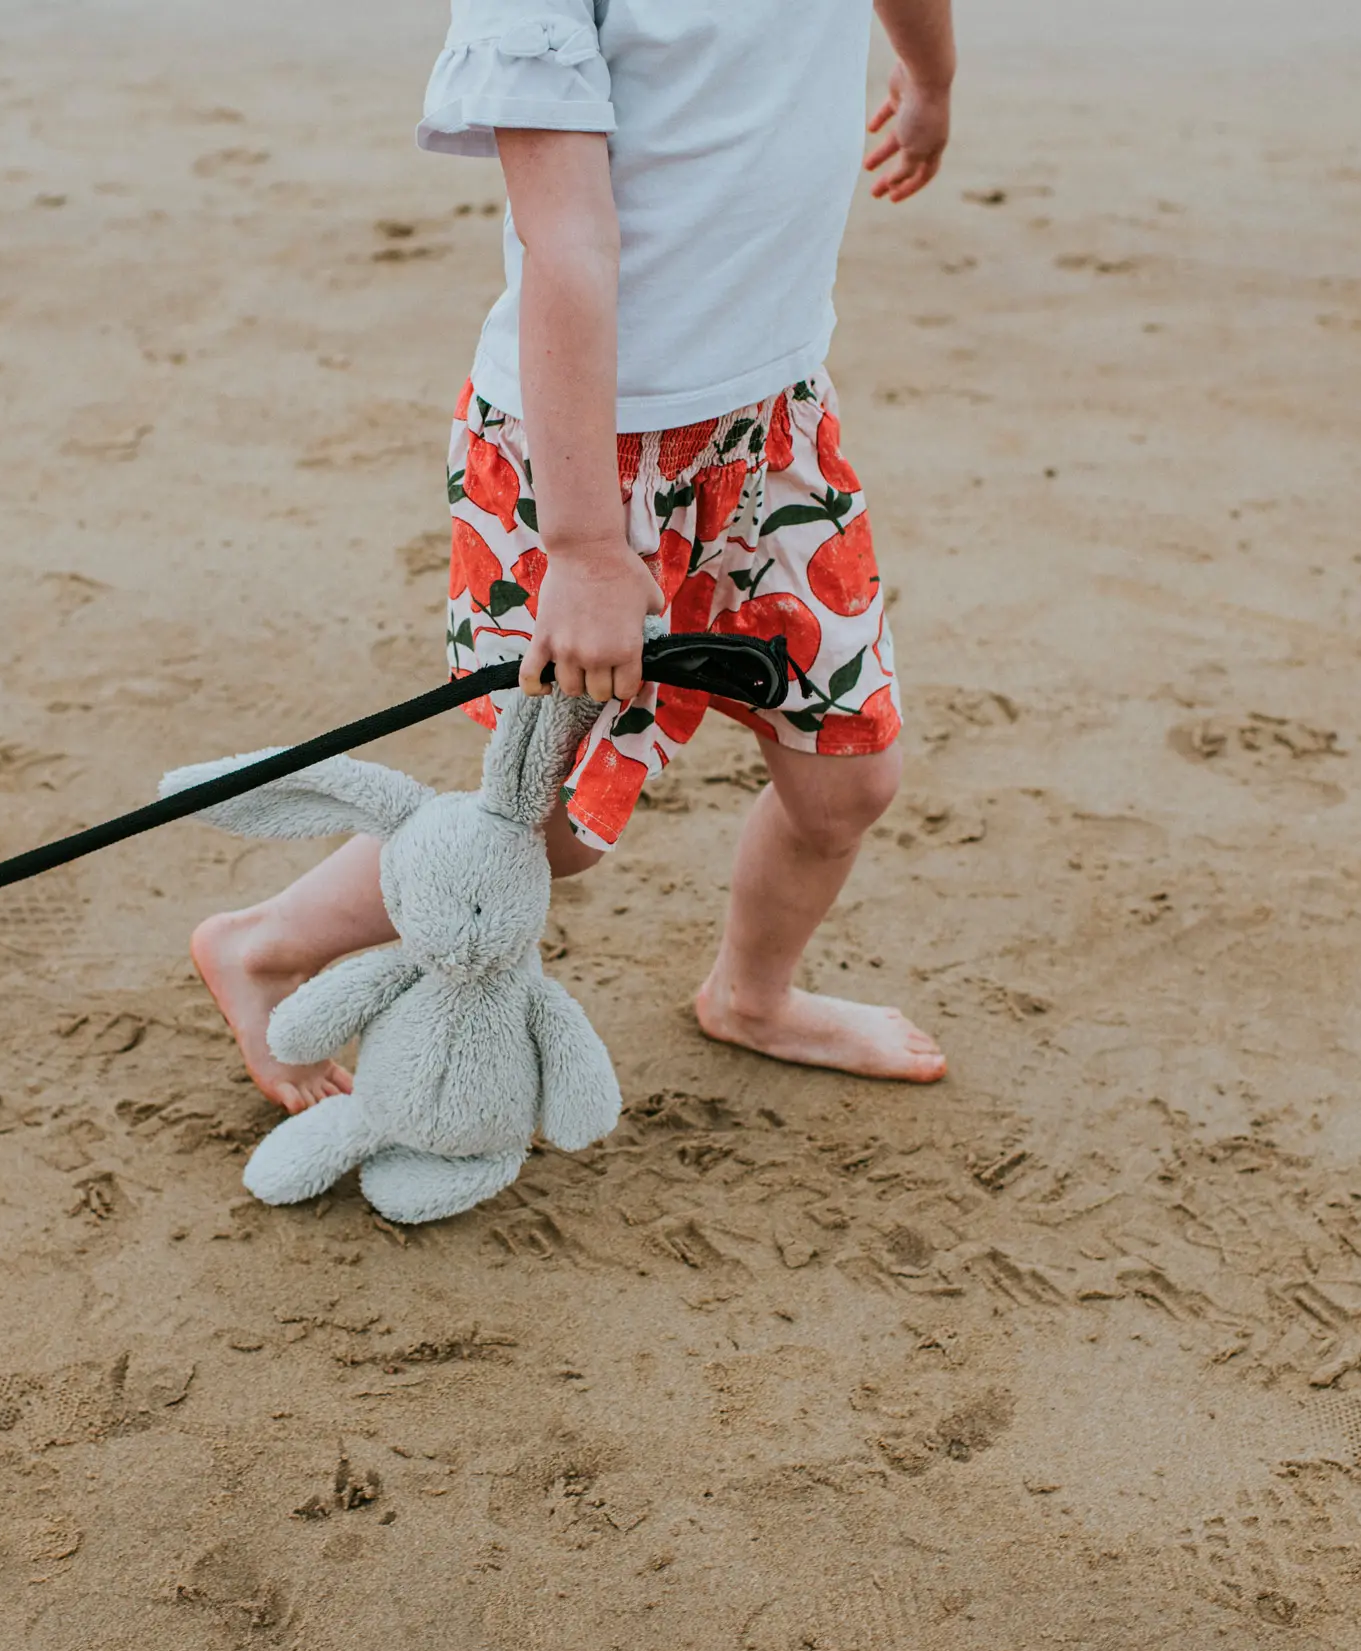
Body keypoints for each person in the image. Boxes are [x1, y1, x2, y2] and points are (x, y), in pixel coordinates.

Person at [193, 0, 955, 1112]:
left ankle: (752, 996)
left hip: (772, 432)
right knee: (545, 826)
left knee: (845, 781)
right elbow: (567, 240)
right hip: (584, 463)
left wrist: (927, 79)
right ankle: (261, 943)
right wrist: (587, 547)